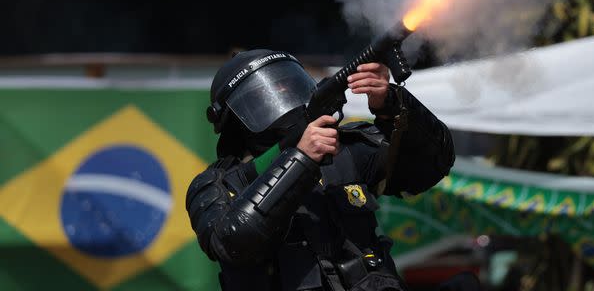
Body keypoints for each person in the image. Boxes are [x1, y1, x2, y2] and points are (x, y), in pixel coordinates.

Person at [186, 49, 455, 290]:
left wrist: (390, 103)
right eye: (266, 93)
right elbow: (231, 242)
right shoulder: (215, 184)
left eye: (287, 85)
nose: (282, 95)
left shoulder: (342, 148)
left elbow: (434, 164)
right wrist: (301, 159)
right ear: (232, 116)